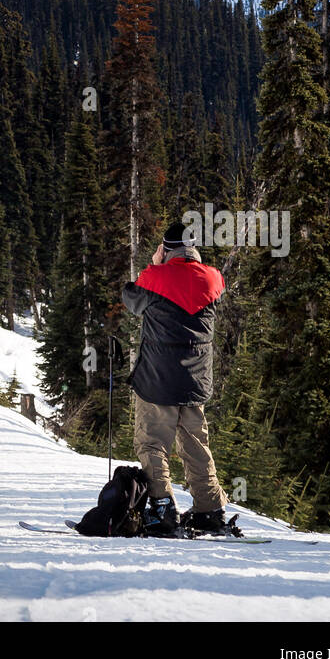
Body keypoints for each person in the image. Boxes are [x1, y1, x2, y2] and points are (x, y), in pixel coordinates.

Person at [121, 221, 239, 537]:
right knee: (196, 444)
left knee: (152, 444)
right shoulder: (214, 279)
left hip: (157, 381)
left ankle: (162, 511)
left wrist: (155, 265)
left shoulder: (155, 277)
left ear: (166, 248)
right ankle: (210, 511)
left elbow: (131, 300)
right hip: (196, 381)